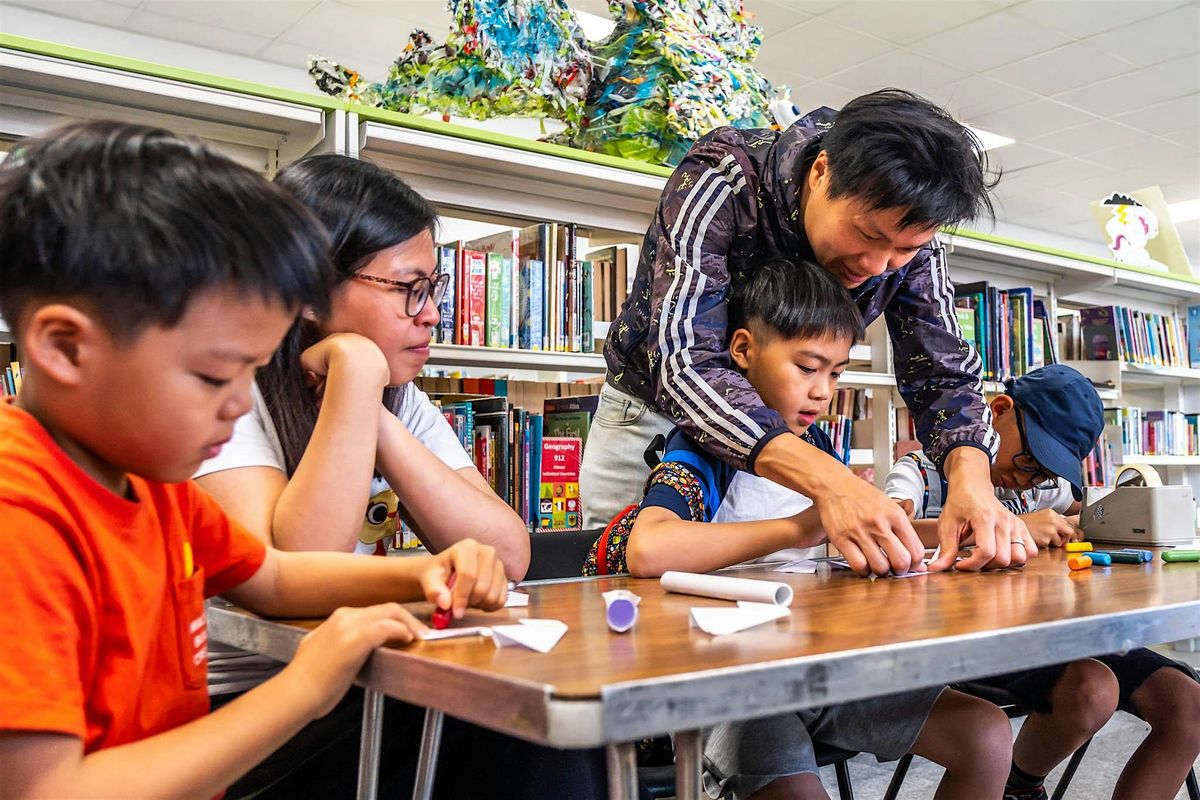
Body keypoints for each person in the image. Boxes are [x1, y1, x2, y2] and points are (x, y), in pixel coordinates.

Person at [0, 121, 508, 799]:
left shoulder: (150, 484)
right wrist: (302, 687)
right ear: (64, 348)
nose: (240, 406)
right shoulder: (20, 518)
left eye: (252, 374)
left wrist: (428, 570)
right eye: (214, 378)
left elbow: (270, 576)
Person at [194, 154, 607, 800]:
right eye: (409, 288)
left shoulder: (401, 397)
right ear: (306, 291)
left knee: (553, 715)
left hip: (357, 686)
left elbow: (508, 553)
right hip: (247, 716)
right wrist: (356, 378)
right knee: (518, 726)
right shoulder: (226, 395)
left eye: (435, 289)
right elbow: (291, 567)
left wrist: (374, 415)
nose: (433, 314)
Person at [586, 259, 1014, 799]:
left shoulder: (817, 448)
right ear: (742, 351)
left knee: (987, 733)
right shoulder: (705, 447)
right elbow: (649, 549)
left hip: (821, 664)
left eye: (835, 373)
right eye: (807, 367)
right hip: (733, 684)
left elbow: (858, 528)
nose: (822, 392)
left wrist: (958, 531)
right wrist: (799, 527)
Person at [582, 88, 1033, 577]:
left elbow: (944, 372)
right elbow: (683, 357)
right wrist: (833, 486)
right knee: (628, 603)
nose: (879, 266)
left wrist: (971, 480)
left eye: (905, 250)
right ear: (821, 173)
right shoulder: (722, 179)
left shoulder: (909, 233)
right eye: (867, 236)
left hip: (791, 440)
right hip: (657, 416)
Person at [885, 364, 1200, 800]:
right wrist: (1005, 527)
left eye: (1045, 473)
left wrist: (1089, 525)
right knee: (1092, 689)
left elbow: (1078, 515)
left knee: (1188, 704)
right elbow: (883, 534)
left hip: (1051, 630)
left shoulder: (1040, 489)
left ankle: (1015, 783)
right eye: (1030, 460)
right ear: (999, 411)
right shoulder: (919, 473)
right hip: (960, 643)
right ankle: (1020, 784)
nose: (1029, 479)